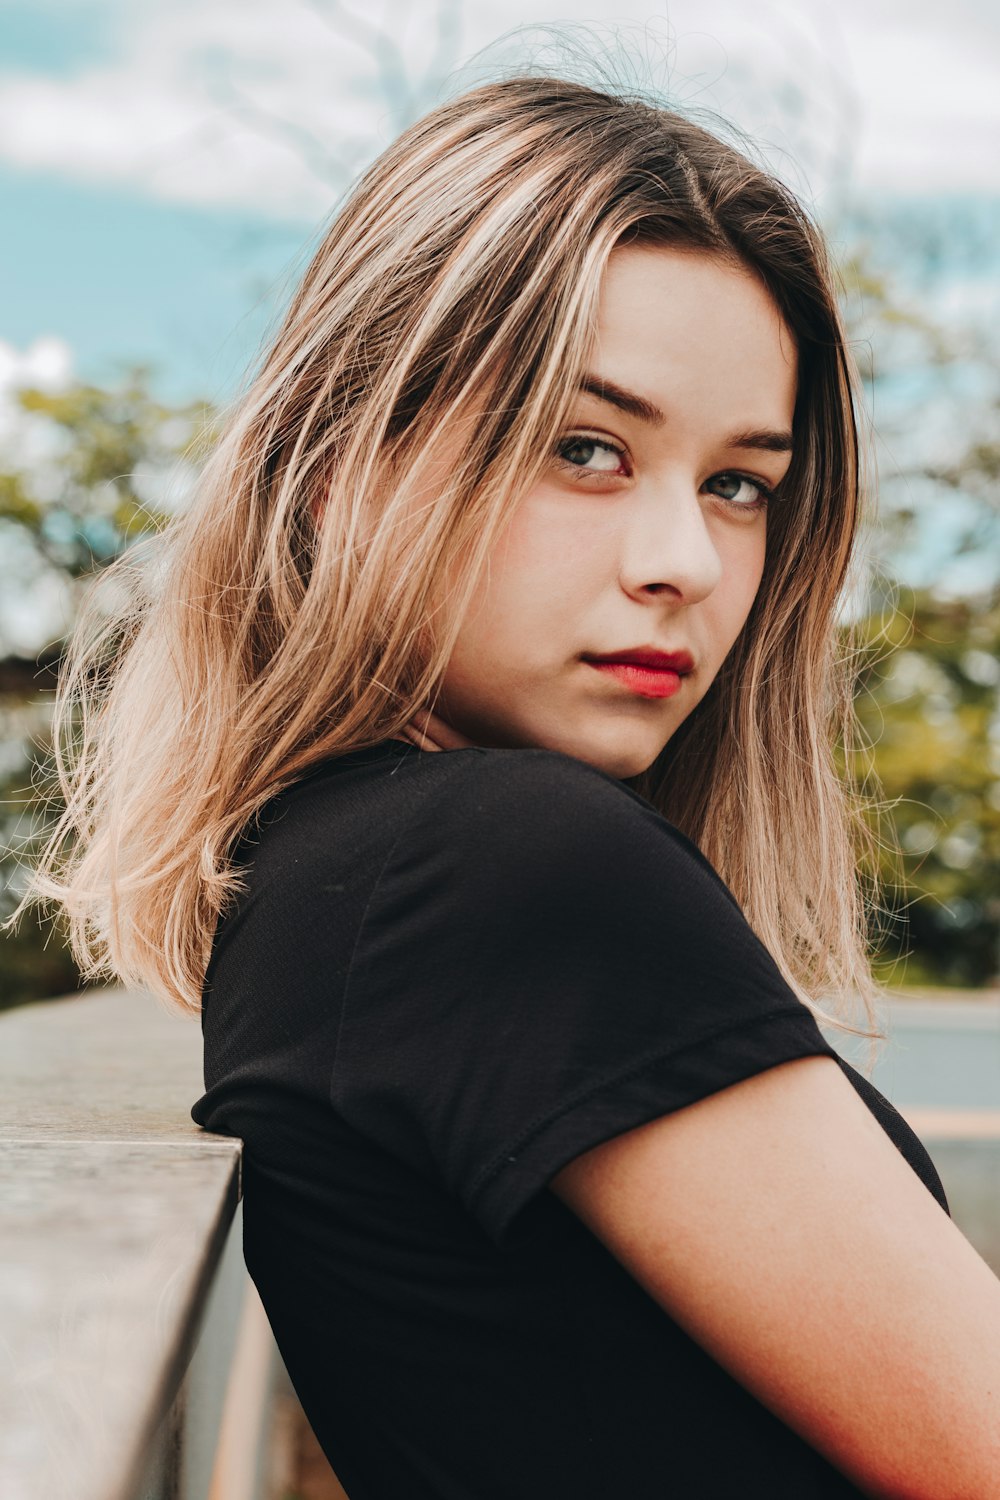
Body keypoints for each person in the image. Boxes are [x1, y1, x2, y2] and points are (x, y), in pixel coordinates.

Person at [15, 73, 1000, 1499]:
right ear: (337, 465)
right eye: (584, 448)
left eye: (740, 482)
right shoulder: (499, 867)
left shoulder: (331, 875)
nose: (689, 561)